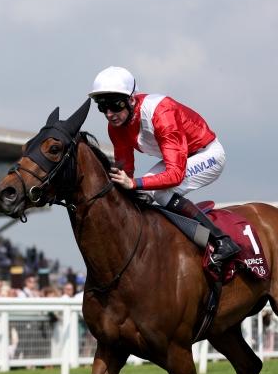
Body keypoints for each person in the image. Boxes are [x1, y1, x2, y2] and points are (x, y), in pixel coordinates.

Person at [89, 66, 240, 267]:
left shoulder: (162, 113)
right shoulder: (116, 127)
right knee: (141, 195)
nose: (109, 114)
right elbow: (126, 171)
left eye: (115, 106)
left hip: (208, 155)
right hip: (182, 157)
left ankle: (221, 240)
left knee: (157, 193)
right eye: (102, 107)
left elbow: (175, 175)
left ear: (131, 100)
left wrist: (134, 184)